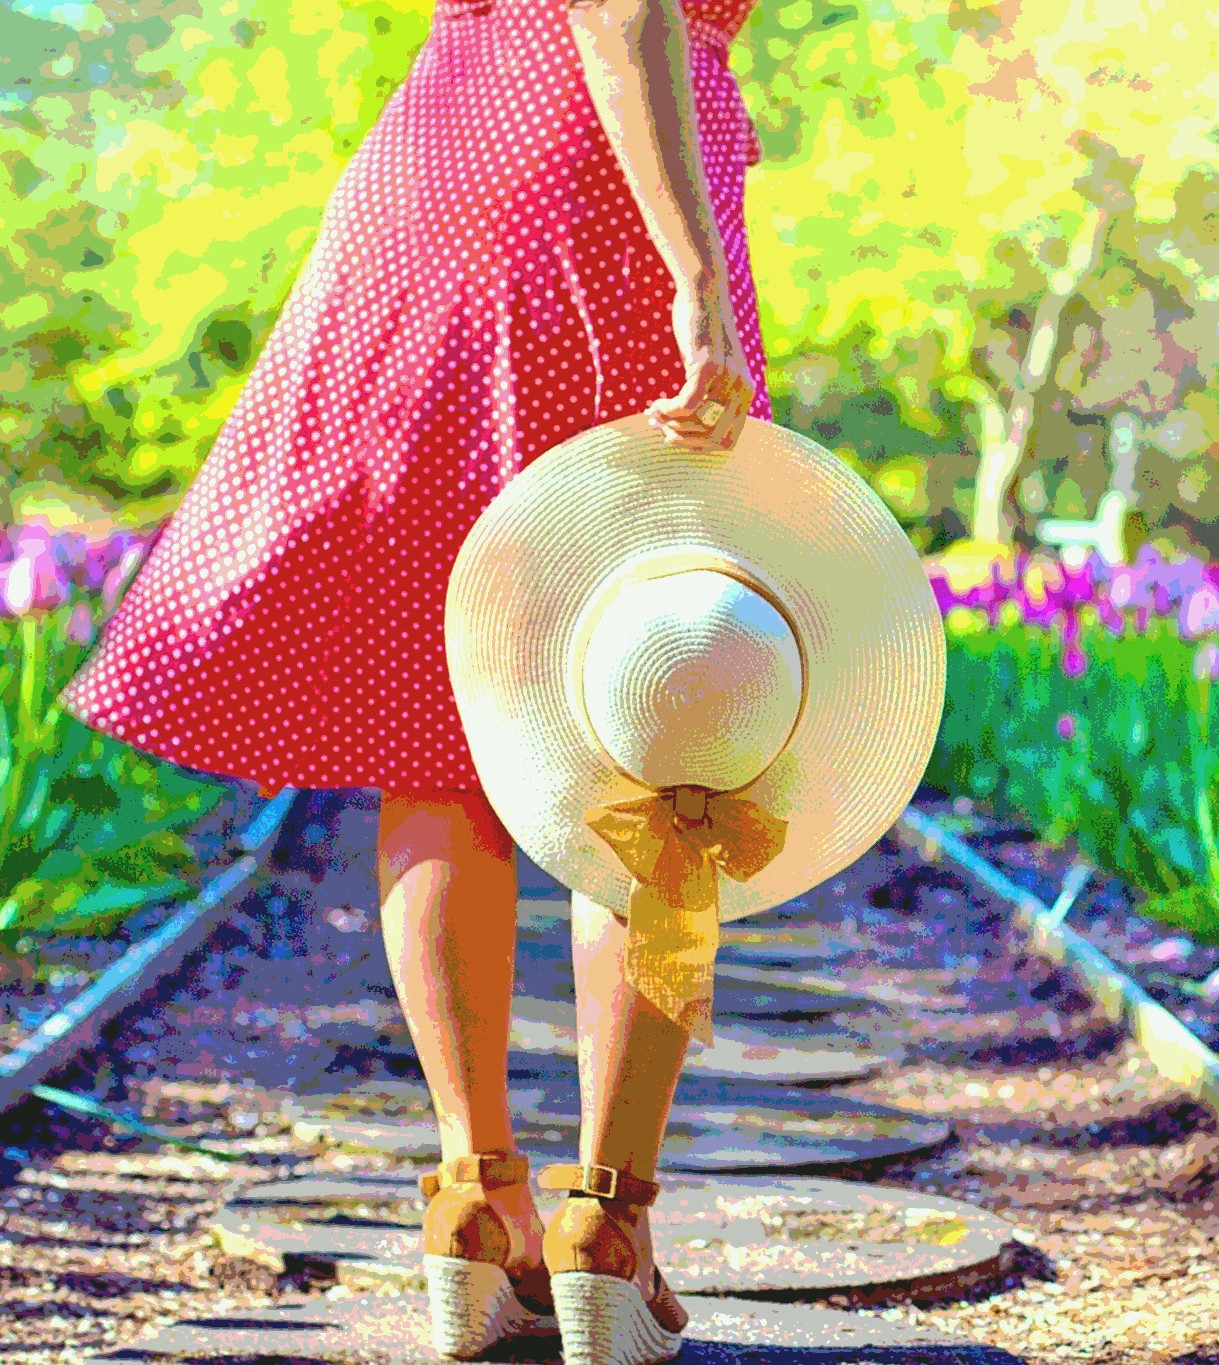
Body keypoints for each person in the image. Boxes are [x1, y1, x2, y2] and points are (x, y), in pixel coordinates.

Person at [58, 0, 774, 1357]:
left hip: (422, 202)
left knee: (439, 729)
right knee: (662, 737)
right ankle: (608, 1228)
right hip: (598, 207)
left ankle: (474, 1201)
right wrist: (693, 273)